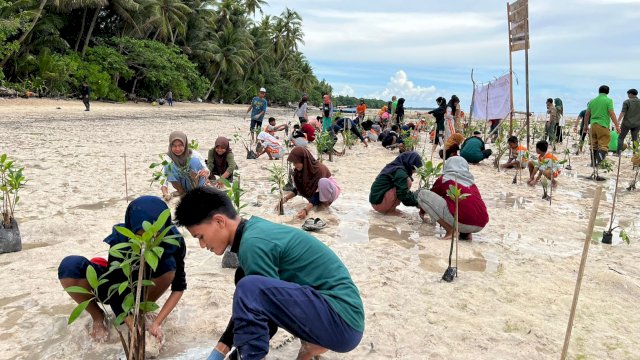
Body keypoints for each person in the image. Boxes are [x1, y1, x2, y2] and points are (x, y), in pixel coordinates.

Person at [174, 187, 364, 360]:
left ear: (219, 221)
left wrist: (237, 356)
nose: (202, 245)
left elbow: (263, 312)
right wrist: (221, 349)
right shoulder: (254, 231)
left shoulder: (253, 244)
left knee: (248, 287)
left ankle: (311, 343)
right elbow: (260, 307)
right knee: (245, 279)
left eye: (200, 236)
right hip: (339, 318)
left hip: (342, 321)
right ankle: (313, 344)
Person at [58, 196, 187, 342]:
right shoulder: (121, 240)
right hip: (119, 288)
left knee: (169, 265)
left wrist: (157, 323)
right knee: (70, 266)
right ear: (131, 228)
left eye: (154, 236)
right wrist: (130, 322)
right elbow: (115, 286)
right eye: (140, 236)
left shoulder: (173, 240)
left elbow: (179, 287)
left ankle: (142, 310)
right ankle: (98, 317)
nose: (147, 243)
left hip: (146, 285)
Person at [417, 156, 489, 240]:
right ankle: (466, 235)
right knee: (464, 204)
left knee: (422, 194)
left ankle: (450, 230)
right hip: (481, 224)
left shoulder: (444, 179)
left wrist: (422, 212)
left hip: (461, 222)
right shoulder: (472, 184)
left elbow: (430, 197)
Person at [282, 146, 341, 219]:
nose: (294, 165)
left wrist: (306, 210)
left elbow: (317, 194)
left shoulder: (318, 169)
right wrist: (284, 200)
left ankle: (324, 206)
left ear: (303, 160)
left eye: (296, 162)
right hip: (316, 195)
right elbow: (297, 189)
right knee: (297, 179)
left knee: (323, 182)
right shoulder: (298, 172)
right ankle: (317, 205)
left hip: (330, 192)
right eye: (293, 163)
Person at [161, 131, 208, 201]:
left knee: (194, 161)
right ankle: (181, 191)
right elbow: (163, 177)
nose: (177, 149)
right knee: (168, 166)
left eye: (180, 145)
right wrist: (165, 193)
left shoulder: (193, 154)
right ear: (170, 146)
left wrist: (205, 172)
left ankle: (198, 190)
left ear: (185, 145)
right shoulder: (168, 157)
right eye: (174, 146)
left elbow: (205, 169)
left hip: (196, 183)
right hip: (181, 185)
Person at [583, 85, 620, 169]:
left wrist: (585, 126)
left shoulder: (592, 101)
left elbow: (587, 114)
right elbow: (611, 113)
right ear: (608, 92)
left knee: (593, 145)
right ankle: (598, 164)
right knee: (603, 146)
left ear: (599, 91)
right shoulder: (608, 100)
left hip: (593, 126)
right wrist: (617, 125)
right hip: (603, 125)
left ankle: (593, 164)